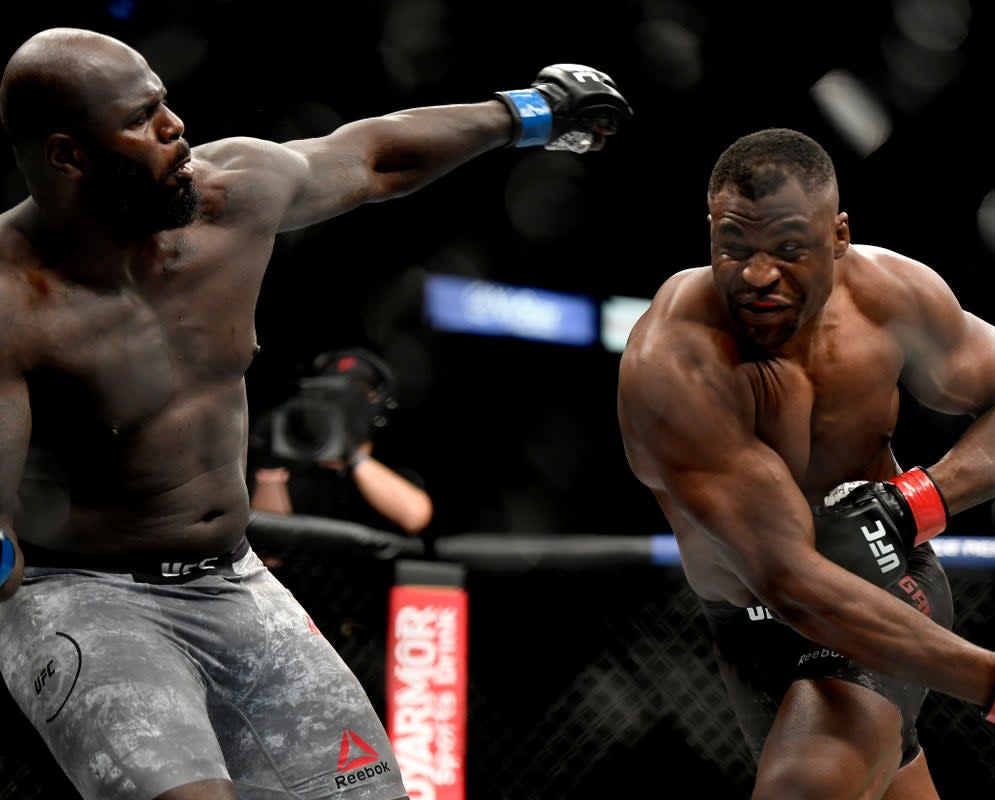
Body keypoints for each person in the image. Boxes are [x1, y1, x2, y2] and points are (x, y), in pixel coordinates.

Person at [0, 26, 631, 800]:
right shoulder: (11, 302)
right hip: (85, 595)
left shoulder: (227, 196)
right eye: (141, 118)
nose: (176, 128)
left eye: (165, 102)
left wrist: (533, 111)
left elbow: (373, 158)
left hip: (233, 582)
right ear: (68, 156)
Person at [616, 127, 995, 799]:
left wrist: (913, 502)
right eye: (734, 245)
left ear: (838, 236)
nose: (756, 274)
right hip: (753, 620)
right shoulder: (676, 360)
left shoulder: (890, 297)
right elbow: (789, 582)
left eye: (788, 247)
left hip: (885, 579)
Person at [249, 347, 434, 536]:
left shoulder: (394, 458)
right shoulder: (296, 458)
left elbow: (415, 517)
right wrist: (270, 465)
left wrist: (353, 457)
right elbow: (268, 546)